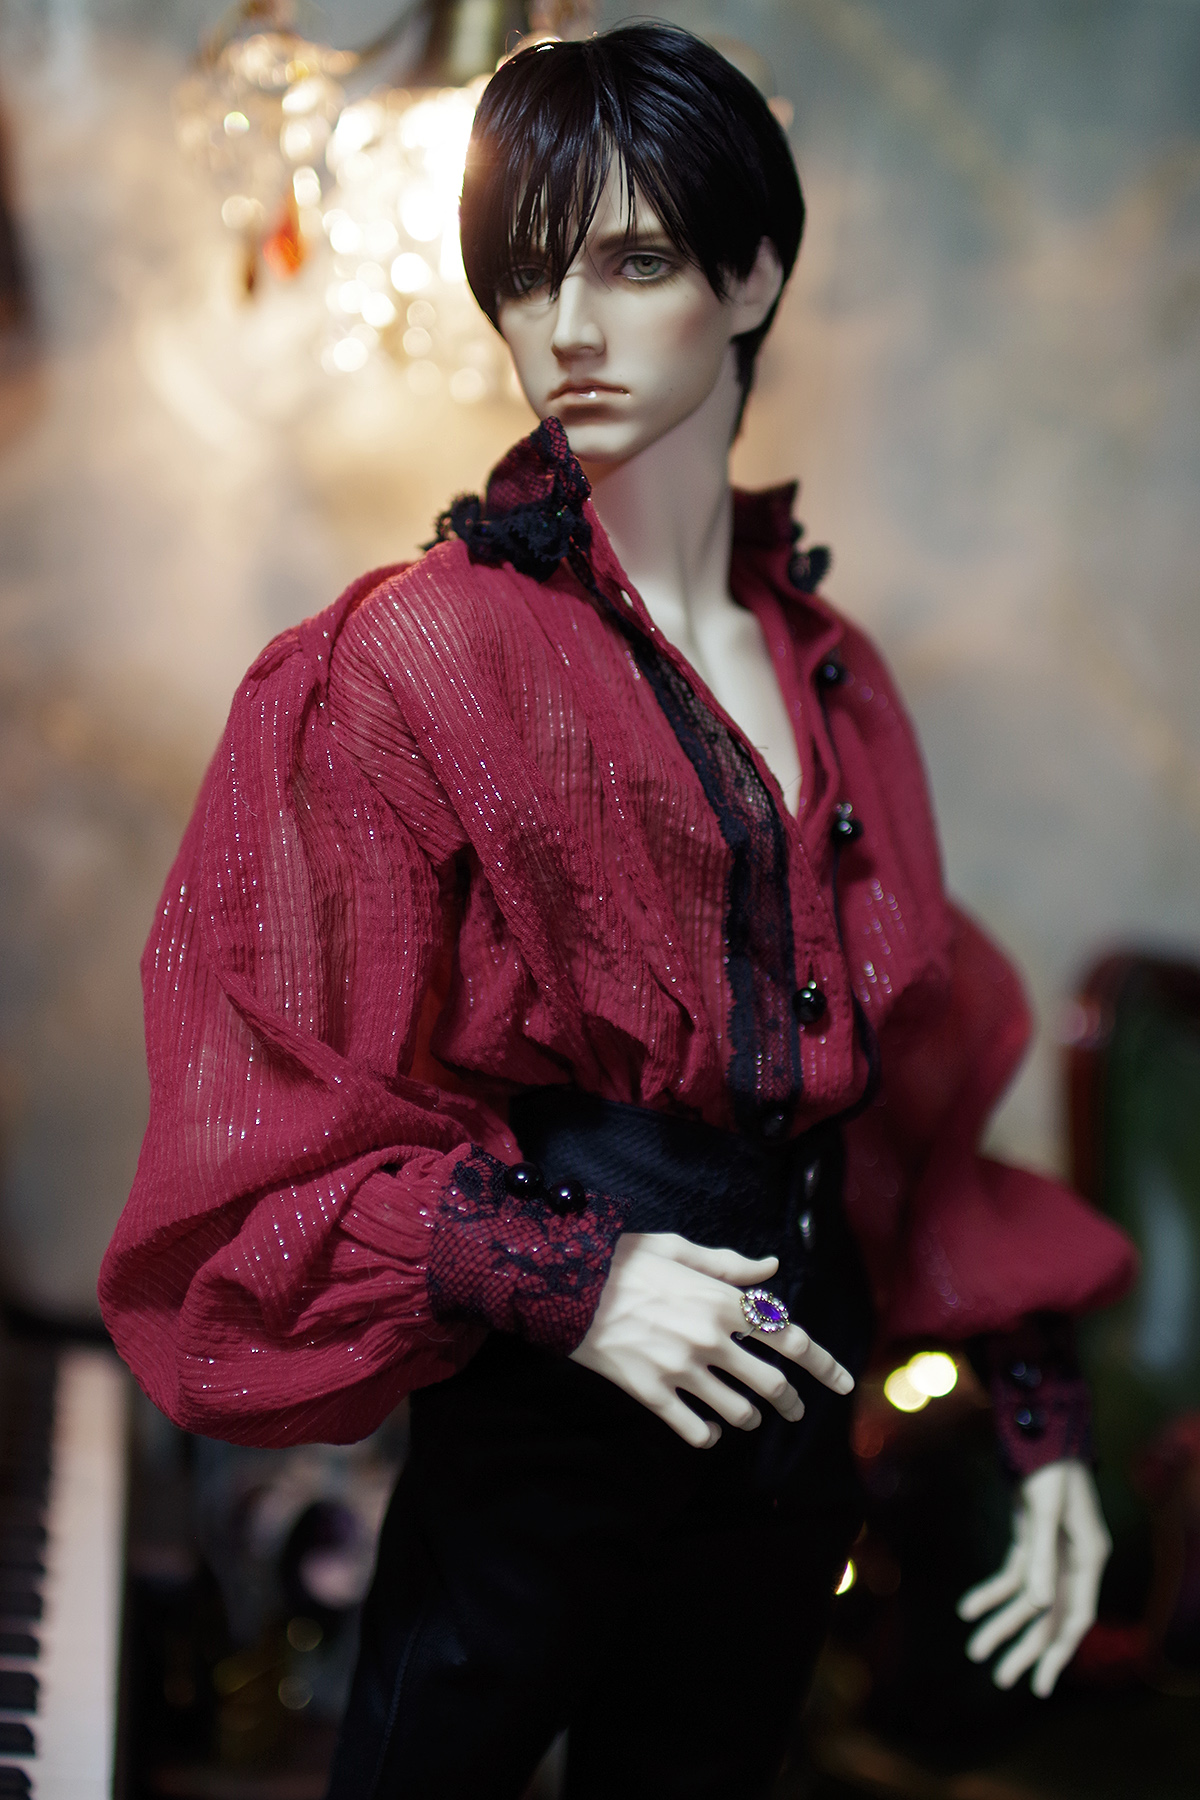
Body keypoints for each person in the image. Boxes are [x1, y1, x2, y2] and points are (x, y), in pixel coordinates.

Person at [99, 25, 1135, 1798]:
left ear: (754, 277)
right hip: (545, 1447)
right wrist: (571, 1273)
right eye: (527, 275)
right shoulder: (416, 659)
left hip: (793, 1449)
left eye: (635, 263)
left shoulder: (836, 674)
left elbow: (908, 1101)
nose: (565, 328)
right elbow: (277, 1122)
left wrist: (1041, 1422)